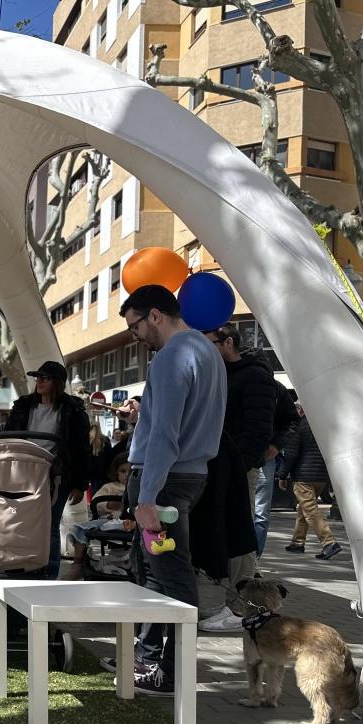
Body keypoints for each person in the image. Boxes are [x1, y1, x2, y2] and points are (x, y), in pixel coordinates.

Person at [113, 285, 226, 695]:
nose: (136, 336)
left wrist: (146, 498)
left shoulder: (172, 357)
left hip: (164, 481)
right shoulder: (207, 351)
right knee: (157, 573)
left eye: (135, 326)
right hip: (186, 476)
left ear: (155, 315)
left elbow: (165, 434)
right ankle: (150, 659)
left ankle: (174, 674)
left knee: (172, 577)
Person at [198, 322, 275, 632]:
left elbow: (259, 429)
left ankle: (241, 605)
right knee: (222, 532)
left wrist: (237, 465)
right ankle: (230, 601)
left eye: (210, 343)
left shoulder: (256, 376)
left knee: (241, 536)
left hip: (237, 468)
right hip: (214, 465)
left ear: (227, 342)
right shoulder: (217, 374)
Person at [4, 360, 91, 579]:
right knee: (20, 522)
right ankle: (23, 570)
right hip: (22, 473)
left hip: (56, 475)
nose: (39, 382)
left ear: (57, 383)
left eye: (45, 378)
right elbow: (8, 436)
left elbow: (81, 448)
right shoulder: (23, 405)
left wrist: (80, 484)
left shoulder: (73, 410)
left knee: (50, 526)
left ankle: (49, 575)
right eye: (38, 378)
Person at [282, 406, 342, 559]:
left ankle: (329, 542)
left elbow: (291, 453)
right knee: (304, 509)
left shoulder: (299, 425)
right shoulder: (323, 425)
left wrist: (282, 474)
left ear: (301, 410)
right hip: (320, 476)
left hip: (303, 475)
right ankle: (297, 542)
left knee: (310, 511)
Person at [63, 454, 134, 579]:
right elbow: (96, 503)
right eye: (123, 471)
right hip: (109, 521)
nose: (127, 475)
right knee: (81, 528)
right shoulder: (110, 487)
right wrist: (110, 504)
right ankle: (78, 565)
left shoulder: (137, 488)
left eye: (131, 471)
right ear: (116, 472)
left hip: (131, 523)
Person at [257, 380, 300, 554]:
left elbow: (292, 421)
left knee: (259, 512)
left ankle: (253, 559)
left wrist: (276, 445)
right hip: (255, 454)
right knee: (258, 512)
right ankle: (250, 560)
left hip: (262, 455)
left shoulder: (274, 388)